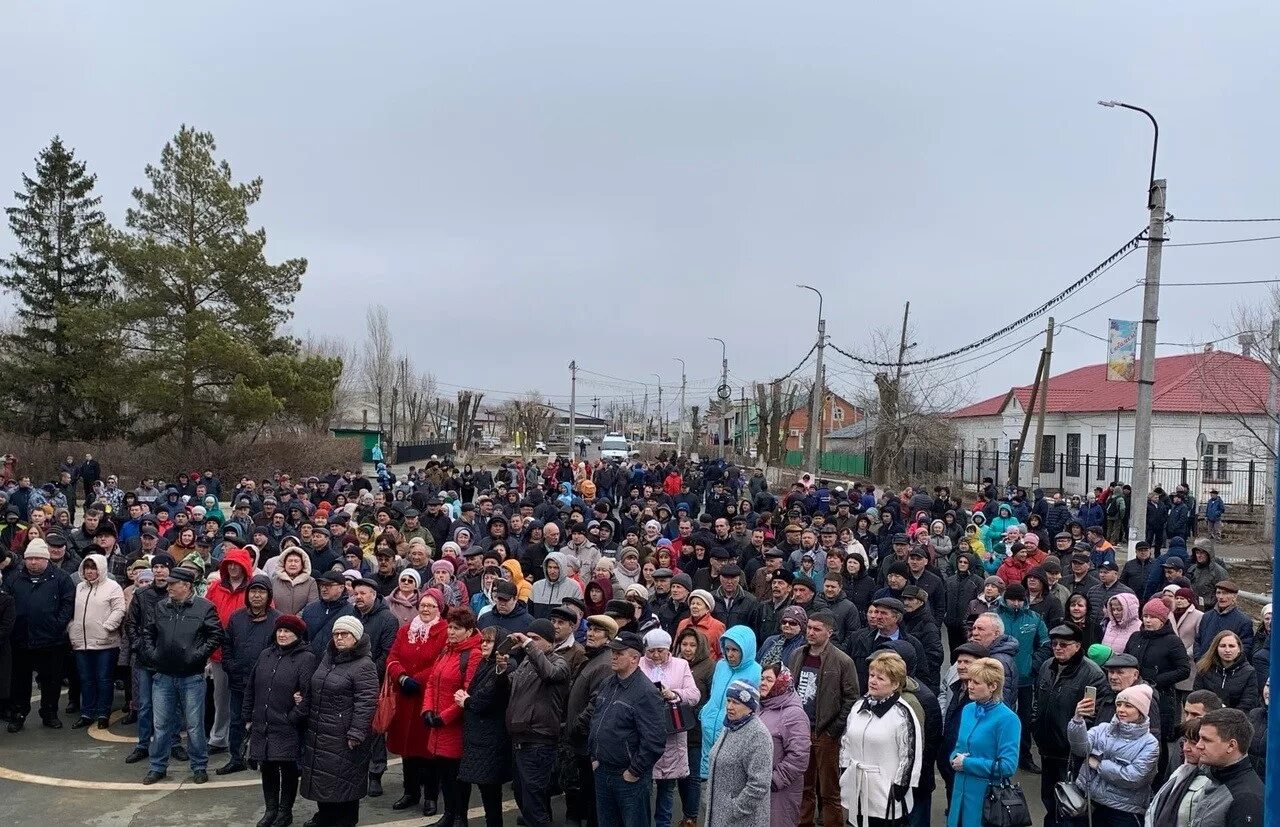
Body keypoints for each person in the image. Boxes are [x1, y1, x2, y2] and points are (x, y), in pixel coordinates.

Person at [140, 566, 223, 784]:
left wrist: (197, 656)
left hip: (191, 676)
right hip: (163, 674)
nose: (168, 587)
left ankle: (199, 766)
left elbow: (215, 635)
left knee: (195, 725)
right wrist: (153, 654)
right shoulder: (160, 607)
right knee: (161, 724)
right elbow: (148, 632)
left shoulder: (205, 607)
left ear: (186, 586)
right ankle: (157, 766)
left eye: (172, 584)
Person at [294, 614, 379, 827]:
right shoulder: (328, 657)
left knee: (346, 781)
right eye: (336, 634)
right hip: (321, 729)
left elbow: (367, 701)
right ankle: (325, 816)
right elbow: (315, 687)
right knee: (324, 778)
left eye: (345, 634)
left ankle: (345, 820)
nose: (339, 638)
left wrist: (357, 732)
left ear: (356, 637)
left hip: (344, 733)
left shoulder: (364, 664)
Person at [586, 630, 669, 827]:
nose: (613, 656)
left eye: (619, 653)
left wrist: (634, 771)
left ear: (634, 658)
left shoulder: (646, 692)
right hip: (603, 770)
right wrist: (594, 758)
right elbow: (596, 720)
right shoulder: (608, 683)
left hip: (628, 777)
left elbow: (655, 740)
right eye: (613, 651)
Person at [786, 609, 859, 827]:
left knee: (829, 792)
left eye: (817, 629)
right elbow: (790, 689)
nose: (811, 632)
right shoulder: (797, 655)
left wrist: (834, 729)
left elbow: (851, 697)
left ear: (830, 632)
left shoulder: (842, 661)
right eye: (809, 627)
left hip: (826, 733)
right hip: (800, 731)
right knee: (803, 788)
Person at [244, 613, 318, 827]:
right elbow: (252, 686)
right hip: (263, 723)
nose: (283, 634)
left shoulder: (307, 658)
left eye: (288, 631)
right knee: (266, 767)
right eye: (280, 630)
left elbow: (307, 695)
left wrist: (292, 718)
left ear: (297, 635)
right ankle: (271, 810)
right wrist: (248, 716)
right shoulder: (266, 654)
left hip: (287, 725)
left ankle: (285, 812)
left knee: (287, 769)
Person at [838, 651, 923, 827]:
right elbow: (846, 741)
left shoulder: (902, 713)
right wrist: (844, 769)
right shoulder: (859, 706)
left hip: (886, 794)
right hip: (858, 788)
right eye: (871, 675)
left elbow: (909, 755)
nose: (873, 681)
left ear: (895, 684)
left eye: (880, 678)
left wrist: (899, 787)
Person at [1034, 624, 1107, 827]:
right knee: (1049, 800)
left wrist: (1076, 742)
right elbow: (1037, 699)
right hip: (1047, 748)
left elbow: (1094, 717)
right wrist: (1035, 724)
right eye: (1054, 644)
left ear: (1077, 646)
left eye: (1064, 644)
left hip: (1070, 754)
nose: (1058, 648)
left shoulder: (1092, 674)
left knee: (1071, 805)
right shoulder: (1047, 666)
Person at [502, 618, 571, 827]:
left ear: (549, 642)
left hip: (539, 740)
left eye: (536, 639)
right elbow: (512, 684)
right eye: (529, 637)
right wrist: (502, 669)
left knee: (535, 803)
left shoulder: (559, 663)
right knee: (523, 798)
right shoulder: (527, 661)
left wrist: (527, 646)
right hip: (520, 737)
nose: (530, 642)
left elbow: (549, 673)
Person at [386, 589, 448, 815]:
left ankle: (430, 796)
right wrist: (401, 676)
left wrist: (418, 680)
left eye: (431, 606)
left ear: (439, 609)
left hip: (428, 698)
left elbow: (442, 661)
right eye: (423, 605)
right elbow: (392, 658)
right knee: (407, 750)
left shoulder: (444, 632)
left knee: (428, 751)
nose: (425, 609)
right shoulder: (405, 631)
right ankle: (410, 792)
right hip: (405, 697)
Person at [419, 606, 482, 827]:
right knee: (444, 774)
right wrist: (426, 710)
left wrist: (443, 718)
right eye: (450, 627)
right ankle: (448, 815)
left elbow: (467, 693)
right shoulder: (446, 650)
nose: (451, 632)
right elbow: (431, 684)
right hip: (437, 725)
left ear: (469, 630)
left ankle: (460, 817)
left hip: (455, 727)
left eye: (457, 628)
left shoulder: (472, 655)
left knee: (457, 775)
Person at [3, 539, 75, 731]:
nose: (33, 562)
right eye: (29, 558)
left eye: (37, 558)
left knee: (51, 680)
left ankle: (50, 713)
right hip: (21, 639)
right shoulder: (15, 577)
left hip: (51, 641)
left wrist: (57, 625)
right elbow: (7, 603)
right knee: (20, 681)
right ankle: (19, 713)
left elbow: (68, 604)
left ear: (45, 559)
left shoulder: (61, 578)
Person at [1067, 682, 1160, 826]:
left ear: (1141, 711)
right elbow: (1080, 749)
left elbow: (1133, 778)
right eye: (1119, 704)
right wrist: (1077, 720)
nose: (1121, 710)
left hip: (1122, 810)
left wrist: (1099, 765)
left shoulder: (1149, 743)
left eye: (1128, 706)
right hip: (1089, 800)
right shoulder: (1102, 729)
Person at [946, 656, 1021, 827]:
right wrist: (953, 758)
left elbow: (1008, 766)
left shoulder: (1008, 719)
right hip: (959, 795)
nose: (970, 686)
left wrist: (968, 763)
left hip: (987, 799)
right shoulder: (967, 710)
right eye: (970, 680)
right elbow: (958, 747)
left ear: (993, 686)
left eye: (977, 682)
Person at [218, 575, 282, 774]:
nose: (256, 596)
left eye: (261, 592)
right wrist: (229, 665)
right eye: (253, 591)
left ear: (268, 595)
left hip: (266, 683)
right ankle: (236, 757)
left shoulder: (277, 619)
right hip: (239, 680)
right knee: (236, 720)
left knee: (266, 721)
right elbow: (226, 645)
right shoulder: (237, 617)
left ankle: (262, 758)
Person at [639, 629, 702, 827]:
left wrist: (673, 694)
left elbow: (694, 695)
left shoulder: (681, 665)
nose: (655, 655)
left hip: (672, 732)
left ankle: (663, 824)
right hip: (644, 731)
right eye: (651, 651)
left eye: (660, 650)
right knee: (643, 785)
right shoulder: (640, 664)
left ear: (668, 650)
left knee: (667, 786)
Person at [456, 625, 513, 827]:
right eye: (483, 641)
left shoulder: (505, 666)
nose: (484, 644)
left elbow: (488, 697)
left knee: (490, 792)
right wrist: (469, 698)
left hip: (491, 737)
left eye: (489, 641)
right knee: (484, 788)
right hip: (479, 736)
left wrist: (467, 701)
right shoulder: (484, 662)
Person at [702, 680, 774, 827]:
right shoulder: (730, 726)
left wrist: (733, 810)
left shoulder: (758, 735)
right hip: (719, 816)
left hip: (742, 820)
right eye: (728, 701)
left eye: (736, 702)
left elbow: (759, 785)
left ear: (750, 707)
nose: (729, 707)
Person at [67, 552, 125, 729]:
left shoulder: (113, 586)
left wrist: (107, 627)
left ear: (101, 568)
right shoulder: (79, 588)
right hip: (81, 642)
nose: (90, 571)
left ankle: (102, 713)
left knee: (104, 679)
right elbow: (71, 610)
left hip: (105, 644)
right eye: (87, 568)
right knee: (86, 679)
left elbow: (119, 609)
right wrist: (71, 628)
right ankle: (87, 713)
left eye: (93, 567)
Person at [1182, 707, 1263, 825]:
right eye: (1199, 738)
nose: (1199, 745)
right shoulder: (1214, 776)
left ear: (1231, 745)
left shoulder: (1247, 799)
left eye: (1206, 740)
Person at [698, 624, 761, 777]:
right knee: (707, 785)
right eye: (727, 649)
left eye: (735, 650)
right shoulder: (720, 665)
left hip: (733, 732)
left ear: (746, 650)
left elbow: (755, 708)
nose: (730, 654)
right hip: (709, 729)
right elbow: (714, 693)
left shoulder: (757, 672)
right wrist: (706, 712)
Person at [758, 662, 811, 827]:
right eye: (762, 679)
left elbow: (799, 756)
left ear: (781, 682)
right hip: (758, 787)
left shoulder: (794, 714)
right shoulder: (761, 707)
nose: (763, 683)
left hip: (779, 791)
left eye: (769, 679)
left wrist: (774, 781)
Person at [1146, 716, 1211, 827]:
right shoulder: (1180, 772)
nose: (1186, 748)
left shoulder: (1210, 784)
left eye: (1193, 743)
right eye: (1185, 741)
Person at [1192, 630, 1258, 712]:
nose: (1227, 650)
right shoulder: (1204, 668)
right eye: (1223, 646)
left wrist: (1226, 719)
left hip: (1235, 720)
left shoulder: (1249, 672)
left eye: (1231, 646)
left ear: (1239, 649)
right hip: (1206, 717)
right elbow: (1198, 696)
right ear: (1216, 648)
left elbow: (1248, 703)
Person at [1193, 581, 1253, 661]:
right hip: (1204, 666)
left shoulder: (1243, 621)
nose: (1221, 597)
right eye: (1218, 593)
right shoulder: (1207, 616)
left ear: (1234, 596)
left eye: (1225, 593)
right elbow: (1198, 640)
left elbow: (1245, 647)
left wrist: (1229, 664)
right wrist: (1198, 658)